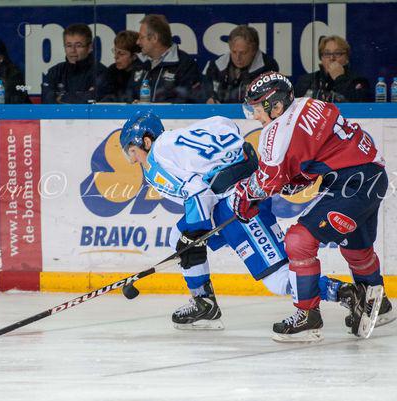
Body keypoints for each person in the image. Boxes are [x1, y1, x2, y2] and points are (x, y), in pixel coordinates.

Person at [119, 110, 365, 342]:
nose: (133, 161)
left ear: (147, 141)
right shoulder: (182, 136)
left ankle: (344, 292)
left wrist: (194, 235)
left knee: (278, 279)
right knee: (178, 235)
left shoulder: (155, 161)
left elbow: (197, 194)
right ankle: (203, 303)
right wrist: (191, 235)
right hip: (245, 191)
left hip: (238, 204)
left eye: (132, 152)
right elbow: (226, 124)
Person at [233, 71, 394, 342]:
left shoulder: (275, 131)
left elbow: (267, 181)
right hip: (373, 176)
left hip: (350, 184)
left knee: (298, 241)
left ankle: (308, 316)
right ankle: (380, 303)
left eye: (258, 108)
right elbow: (314, 154)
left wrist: (244, 195)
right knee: (356, 248)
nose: (255, 116)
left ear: (276, 106)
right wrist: (295, 179)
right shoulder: (311, 103)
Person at [128, 14, 204, 103]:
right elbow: (128, 96)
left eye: (141, 37)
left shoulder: (185, 64)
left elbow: (188, 103)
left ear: (154, 38)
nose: (137, 42)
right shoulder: (140, 63)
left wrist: (155, 108)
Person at [203, 25, 279, 104]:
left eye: (243, 53)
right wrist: (209, 99)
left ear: (254, 51)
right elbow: (201, 92)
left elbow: (271, 99)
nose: (238, 57)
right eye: (234, 52)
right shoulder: (216, 66)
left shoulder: (268, 68)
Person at [41, 23, 107, 104]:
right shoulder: (55, 72)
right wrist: (81, 96)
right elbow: (47, 100)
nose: (73, 50)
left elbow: (95, 99)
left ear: (90, 47)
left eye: (78, 46)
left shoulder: (101, 72)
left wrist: (60, 98)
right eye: (69, 45)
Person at [294, 35, 371, 102]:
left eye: (337, 53)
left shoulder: (358, 81)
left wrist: (339, 79)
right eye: (327, 53)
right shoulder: (306, 81)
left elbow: (360, 107)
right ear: (321, 58)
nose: (332, 58)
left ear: (346, 57)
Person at [98, 30, 140, 102]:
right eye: (115, 51)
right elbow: (99, 92)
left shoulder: (142, 73)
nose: (116, 57)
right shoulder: (113, 70)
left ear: (134, 56)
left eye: (121, 54)